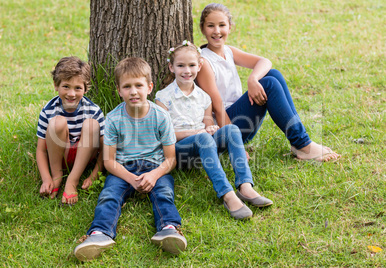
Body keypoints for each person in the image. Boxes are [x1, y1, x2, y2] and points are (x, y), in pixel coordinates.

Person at [74, 57, 186, 262]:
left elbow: (170, 159)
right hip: (123, 168)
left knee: (164, 192)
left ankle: (169, 229)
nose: (133, 91)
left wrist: (153, 175)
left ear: (149, 87)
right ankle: (99, 233)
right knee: (109, 195)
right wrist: (131, 179)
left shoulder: (161, 116)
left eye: (138, 85)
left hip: (155, 167)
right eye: (127, 86)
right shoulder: (114, 119)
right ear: (119, 90)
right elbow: (109, 161)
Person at [196, 3, 340, 162]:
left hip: (239, 120)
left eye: (222, 25)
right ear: (203, 29)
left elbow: (265, 62)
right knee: (269, 84)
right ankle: (303, 144)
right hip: (223, 129)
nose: (217, 31)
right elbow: (217, 108)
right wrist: (236, 146)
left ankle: (299, 143)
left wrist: (252, 79)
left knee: (273, 74)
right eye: (211, 26)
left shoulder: (228, 51)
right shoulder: (204, 61)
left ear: (230, 27)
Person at [155, 40, 273, 221]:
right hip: (180, 152)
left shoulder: (204, 97)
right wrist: (198, 133)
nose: (187, 70)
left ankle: (245, 185)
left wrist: (210, 128)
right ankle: (227, 194)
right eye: (180, 66)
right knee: (203, 138)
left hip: (205, 146)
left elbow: (208, 121)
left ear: (199, 65)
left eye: (192, 65)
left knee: (231, 129)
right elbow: (165, 137)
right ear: (171, 67)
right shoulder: (163, 98)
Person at [36, 56, 105, 205]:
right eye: (66, 86)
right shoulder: (48, 111)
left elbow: (105, 148)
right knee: (57, 122)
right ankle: (57, 177)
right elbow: (41, 150)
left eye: (78, 88)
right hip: (60, 153)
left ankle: (72, 181)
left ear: (86, 88)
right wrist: (46, 178)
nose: (71, 94)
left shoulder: (93, 110)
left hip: (85, 155)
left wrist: (94, 175)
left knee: (91, 124)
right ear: (56, 85)